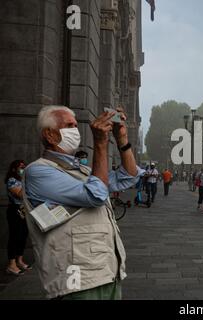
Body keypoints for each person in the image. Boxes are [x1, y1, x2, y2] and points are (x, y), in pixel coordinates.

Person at [23, 105, 144, 299]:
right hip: (75, 279)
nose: (75, 130)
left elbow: (129, 176)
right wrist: (100, 143)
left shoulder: (84, 171)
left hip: (107, 270)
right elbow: (95, 195)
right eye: (69, 125)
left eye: (76, 125)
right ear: (50, 135)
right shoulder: (38, 171)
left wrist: (122, 140)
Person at [4, 160, 31, 276]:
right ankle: (11, 265)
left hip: (24, 211)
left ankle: (19, 261)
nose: (23, 169)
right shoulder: (11, 180)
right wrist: (29, 186)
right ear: (14, 169)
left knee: (23, 236)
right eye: (20, 167)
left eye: (24, 167)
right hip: (15, 210)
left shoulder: (23, 180)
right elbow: (19, 194)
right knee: (14, 236)